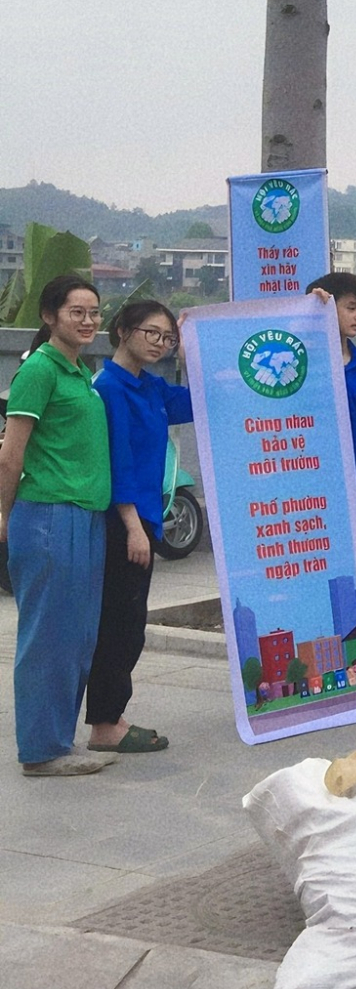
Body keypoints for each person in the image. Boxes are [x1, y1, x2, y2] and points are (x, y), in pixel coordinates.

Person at [1, 277, 112, 776]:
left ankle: (57, 742)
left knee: (75, 637)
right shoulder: (39, 371)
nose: (88, 321)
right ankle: (40, 751)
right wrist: (4, 516)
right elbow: (10, 456)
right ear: (50, 316)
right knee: (48, 638)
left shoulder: (78, 372)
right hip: (48, 517)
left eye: (94, 312)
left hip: (84, 517)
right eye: (77, 312)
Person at [86, 298, 190, 755]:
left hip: (146, 516)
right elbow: (117, 463)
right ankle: (105, 724)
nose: (160, 344)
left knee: (130, 622)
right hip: (123, 520)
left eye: (167, 338)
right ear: (122, 331)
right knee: (119, 623)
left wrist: (194, 356)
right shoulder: (109, 387)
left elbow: (194, 403)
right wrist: (131, 526)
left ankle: (112, 716)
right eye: (152, 333)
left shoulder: (150, 385)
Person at [307, 272, 356, 538]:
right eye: (351, 308)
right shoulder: (299, 364)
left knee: (350, 578)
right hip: (309, 497)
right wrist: (307, 311)